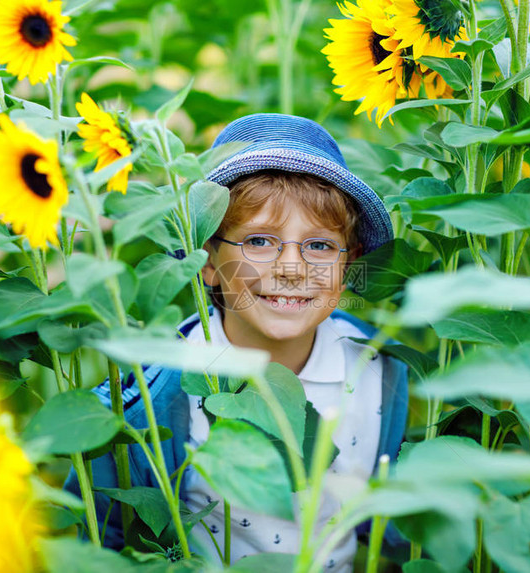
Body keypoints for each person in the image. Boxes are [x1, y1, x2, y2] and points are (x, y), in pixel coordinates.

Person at [65, 113, 408, 571]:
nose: (291, 268)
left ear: (350, 265)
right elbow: (99, 537)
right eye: (260, 241)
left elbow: (394, 525)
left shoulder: (377, 369)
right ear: (206, 260)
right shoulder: (154, 395)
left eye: (320, 246)